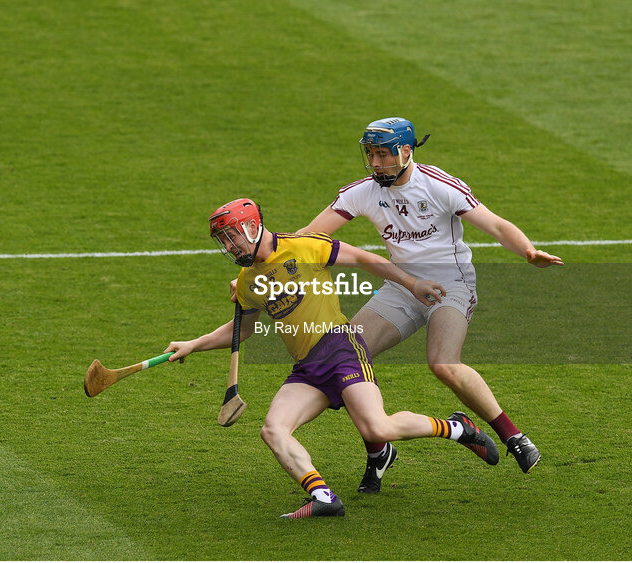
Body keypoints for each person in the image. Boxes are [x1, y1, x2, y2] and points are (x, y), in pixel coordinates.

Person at [165, 198, 499, 519]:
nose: (230, 247)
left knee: (377, 426)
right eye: (223, 242)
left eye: (232, 236)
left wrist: (412, 284)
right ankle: (323, 497)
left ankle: (457, 428)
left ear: (252, 227)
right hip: (307, 369)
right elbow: (243, 330)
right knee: (273, 430)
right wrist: (193, 344)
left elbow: (365, 259)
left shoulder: (304, 246)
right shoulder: (247, 280)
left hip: (341, 349)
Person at [296, 117, 563, 490]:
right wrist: (259, 266)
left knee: (442, 363)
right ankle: (379, 451)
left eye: (382, 155)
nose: (374, 163)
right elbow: (307, 238)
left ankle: (512, 435)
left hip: (450, 285)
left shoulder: (438, 185)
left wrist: (528, 251)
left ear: (406, 152)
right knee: (344, 356)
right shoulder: (361, 192)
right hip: (402, 287)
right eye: (370, 154)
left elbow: (497, 225)